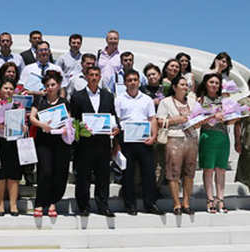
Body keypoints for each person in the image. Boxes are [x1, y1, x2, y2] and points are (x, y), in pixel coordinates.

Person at [70, 66, 117, 217]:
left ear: (100, 76)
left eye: (97, 75)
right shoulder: (77, 96)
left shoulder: (108, 96)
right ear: (86, 76)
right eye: (91, 75)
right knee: (83, 176)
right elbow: (73, 120)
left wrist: (116, 128)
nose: (94, 78)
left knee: (103, 176)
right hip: (84, 144)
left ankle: (103, 206)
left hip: (103, 143)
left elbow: (113, 116)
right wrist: (79, 130)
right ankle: (83, 206)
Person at [115, 70, 162, 215]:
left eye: (135, 79)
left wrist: (154, 136)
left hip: (144, 139)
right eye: (129, 80)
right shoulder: (119, 99)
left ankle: (150, 204)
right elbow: (117, 120)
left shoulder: (147, 99)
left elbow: (152, 118)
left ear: (139, 82)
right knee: (128, 173)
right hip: (126, 139)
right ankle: (130, 205)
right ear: (125, 83)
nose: (133, 82)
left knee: (148, 172)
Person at [29, 70, 71, 218]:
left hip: (60, 142)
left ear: (59, 85)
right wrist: (42, 124)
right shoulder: (39, 100)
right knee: (45, 171)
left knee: (59, 172)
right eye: (48, 85)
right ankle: (40, 202)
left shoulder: (64, 102)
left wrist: (64, 127)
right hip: (43, 141)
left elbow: (69, 121)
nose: (50, 87)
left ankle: (53, 202)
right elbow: (32, 118)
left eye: (53, 84)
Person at [157, 76, 199, 215]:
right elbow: (159, 121)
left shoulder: (192, 102)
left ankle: (186, 202)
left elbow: (200, 118)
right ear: (174, 87)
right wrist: (176, 120)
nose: (185, 87)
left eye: (186, 85)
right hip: (174, 138)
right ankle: (176, 204)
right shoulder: (166, 102)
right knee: (173, 171)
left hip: (191, 138)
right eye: (182, 84)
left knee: (190, 171)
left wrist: (199, 121)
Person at [0, 78, 26, 216]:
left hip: (14, 142)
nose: (8, 91)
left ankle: (14, 205)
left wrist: (23, 127)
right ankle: (0, 205)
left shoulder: (18, 106)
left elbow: (24, 125)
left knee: (13, 174)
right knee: (0, 174)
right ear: (0, 90)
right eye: (5, 88)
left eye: (11, 89)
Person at [196, 72, 231, 213]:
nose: (214, 85)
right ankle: (210, 199)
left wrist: (230, 116)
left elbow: (232, 119)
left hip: (222, 137)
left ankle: (221, 199)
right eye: (212, 82)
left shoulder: (224, 101)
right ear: (206, 83)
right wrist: (212, 116)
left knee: (221, 170)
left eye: (217, 83)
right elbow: (196, 121)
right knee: (208, 169)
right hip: (207, 136)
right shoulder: (199, 101)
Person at [234, 87, 250, 190]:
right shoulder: (243, 102)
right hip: (248, 143)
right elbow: (237, 123)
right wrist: (237, 141)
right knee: (248, 175)